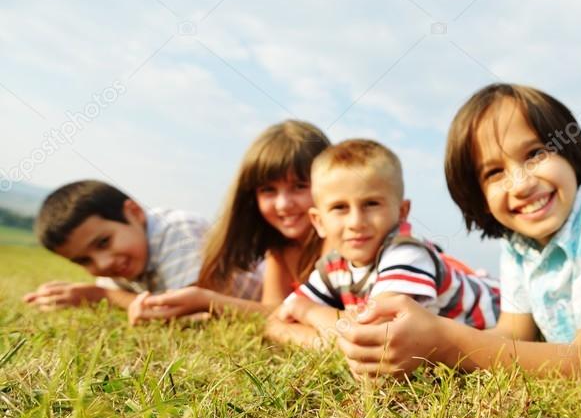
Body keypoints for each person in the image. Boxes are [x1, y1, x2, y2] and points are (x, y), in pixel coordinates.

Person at [335, 83, 581, 376]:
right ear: (479, 198)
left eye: (535, 154)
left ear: (570, 151)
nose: (522, 184)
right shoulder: (519, 241)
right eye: (494, 172)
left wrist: (446, 342)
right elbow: (515, 332)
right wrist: (421, 338)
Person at [265, 138, 500, 347]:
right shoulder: (334, 266)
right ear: (319, 221)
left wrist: (308, 311)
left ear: (402, 212)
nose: (356, 222)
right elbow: (276, 321)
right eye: (339, 207)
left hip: (495, 307)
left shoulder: (407, 252)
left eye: (371, 204)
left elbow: (375, 335)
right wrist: (320, 342)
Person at [128, 120, 328, 323]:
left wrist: (206, 300)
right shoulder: (279, 250)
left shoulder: (341, 243)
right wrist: (201, 300)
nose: (283, 204)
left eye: (300, 186)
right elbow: (275, 312)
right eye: (268, 190)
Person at [22, 180, 253, 310]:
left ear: (134, 213)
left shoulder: (176, 229)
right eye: (84, 260)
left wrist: (100, 295)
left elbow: (188, 308)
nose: (103, 263)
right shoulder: (122, 259)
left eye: (103, 242)